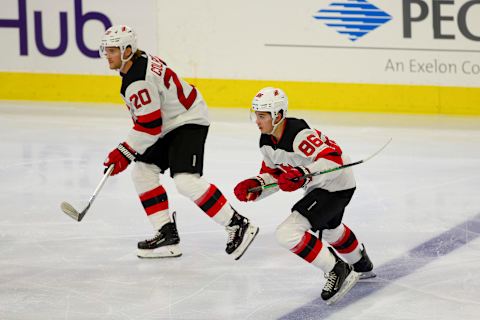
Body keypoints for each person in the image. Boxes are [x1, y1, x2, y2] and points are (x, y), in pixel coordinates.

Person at [99, 25, 258, 260]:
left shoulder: (137, 79)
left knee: (186, 181)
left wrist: (124, 151)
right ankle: (166, 234)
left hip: (188, 120)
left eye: (113, 50)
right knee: (142, 172)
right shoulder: (139, 61)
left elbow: (149, 125)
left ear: (128, 50)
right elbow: (152, 122)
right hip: (170, 123)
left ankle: (237, 224)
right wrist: (130, 151)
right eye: (106, 50)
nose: (107, 55)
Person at [233, 87, 374, 304]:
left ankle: (337, 269)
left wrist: (303, 174)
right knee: (330, 230)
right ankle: (361, 264)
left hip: (335, 184)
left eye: (262, 116)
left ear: (278, 115)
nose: (257, 121)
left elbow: (333, 160)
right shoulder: (266, 141)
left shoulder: (299, 135)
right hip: (323, 186)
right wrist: (257, 186)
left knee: (287, 233)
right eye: (256, 115)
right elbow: (275, 176)